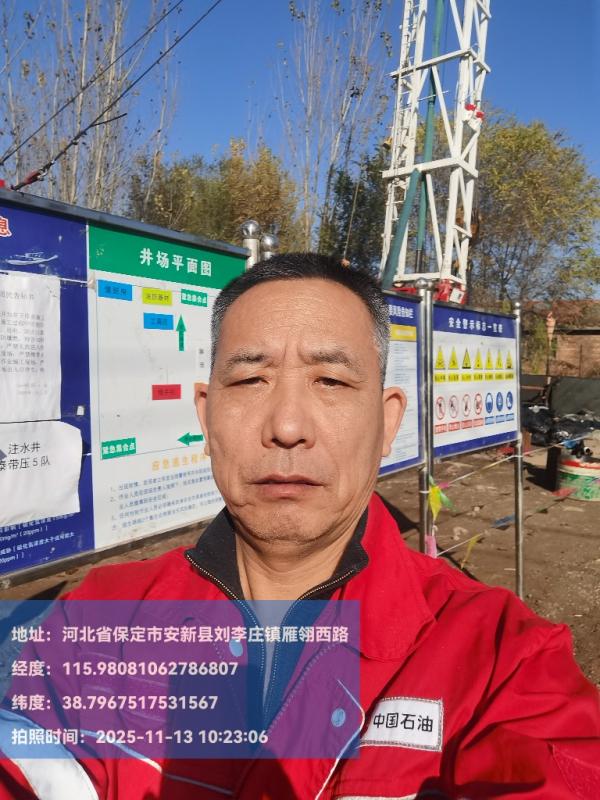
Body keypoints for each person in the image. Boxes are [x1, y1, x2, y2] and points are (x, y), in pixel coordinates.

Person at [1, 253, 599, 799]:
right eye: (249, 380)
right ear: (206, 418)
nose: (287, 426)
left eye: (331, 381)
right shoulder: (95, 618)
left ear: (388, 422)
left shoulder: (502, 660)